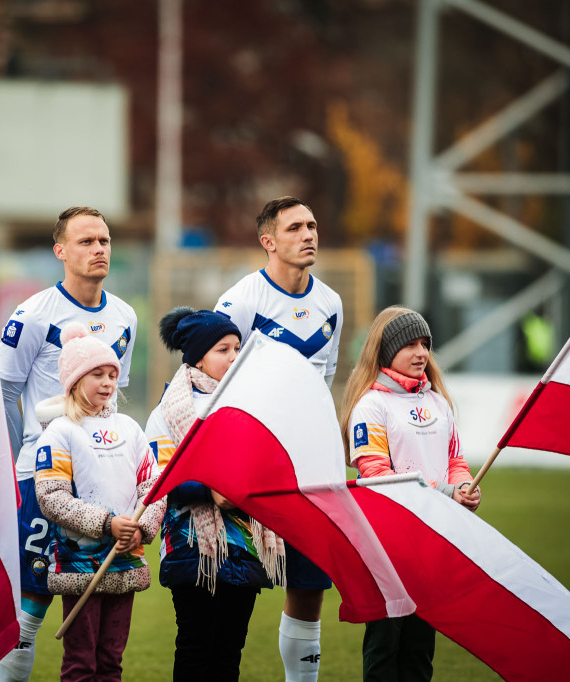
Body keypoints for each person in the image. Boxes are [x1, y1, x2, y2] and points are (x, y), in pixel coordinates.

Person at [0, 206, 137, 681]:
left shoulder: (125, 317)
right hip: (44, 479)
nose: (99, 249)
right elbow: (4, 394)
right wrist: (22, 463)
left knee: (100, 614)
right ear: (60, 251)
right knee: (30, 607)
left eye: (104, 240)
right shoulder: (33, 314)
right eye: (86, 241)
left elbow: (113, 402)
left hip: (101, 488)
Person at [214, 196, 343, 682]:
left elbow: (323, 379)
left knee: (309, 584)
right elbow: (214, 376)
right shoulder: (242, 300)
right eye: (294, 228)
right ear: (268, 241)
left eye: (311, 225)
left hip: (309, 462)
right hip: (252, 460)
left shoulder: (330, 302)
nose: (308, 234)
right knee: (236, 586)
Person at [340, 306, 480, 681]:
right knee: (385, 649)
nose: (421, 353)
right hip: (386, 544)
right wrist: (447, 492)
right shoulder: (370, 406)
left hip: (431, 541)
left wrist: (464, 487)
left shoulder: (438, 403)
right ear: (386, 352)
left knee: (420, 652)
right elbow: (377, 478)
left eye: (426, 344)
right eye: (410, 345)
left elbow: (456, 460)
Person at [146, 307, 283, 681]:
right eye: (223, 349)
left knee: (228, 654)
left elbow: (270, 463)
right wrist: (210, 491)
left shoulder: (252, 405)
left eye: (237, 348)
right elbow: (161, 478)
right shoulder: (169, 411)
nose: (234, 357)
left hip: (245, 546)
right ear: (198, 356)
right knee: (195, 648)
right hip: (192, 548)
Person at [32, 323, 165, 681]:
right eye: (97, 374)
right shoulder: (59, 432)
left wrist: (142, 529)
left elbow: (153, 487)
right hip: (80, 567)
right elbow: (52, 498)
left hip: (124, 560)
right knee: (81, 663)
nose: (107, 382)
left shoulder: (130, 428)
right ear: (74, 381)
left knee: (110, 661)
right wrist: (108, 523)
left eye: (112, 374)